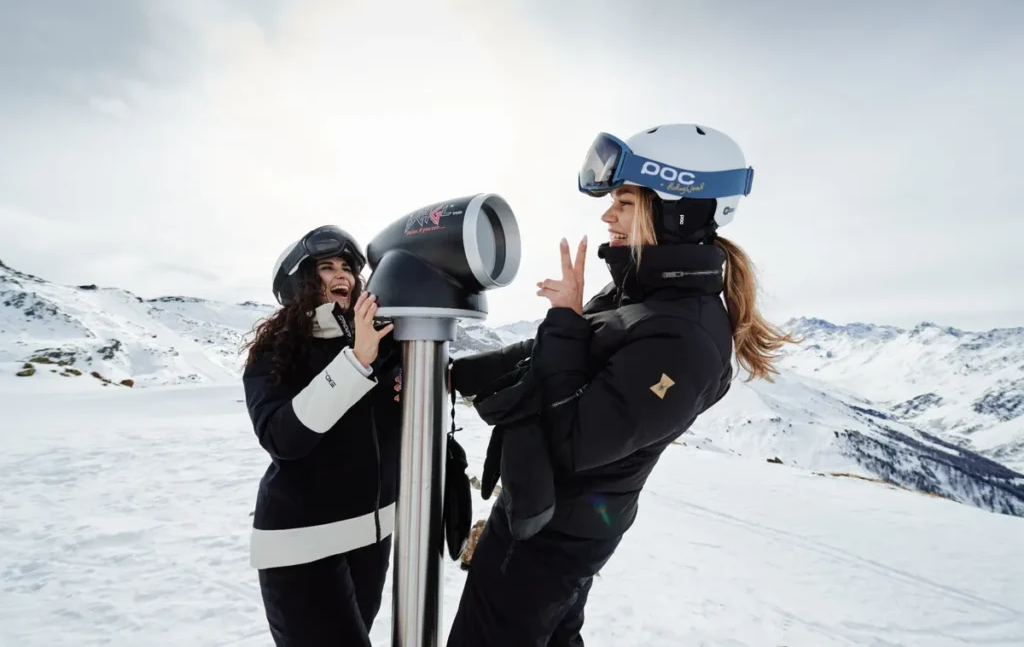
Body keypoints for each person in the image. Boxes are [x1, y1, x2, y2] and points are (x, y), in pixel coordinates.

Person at [445, 123, 797, 646]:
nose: (608, 215)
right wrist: (446, 374)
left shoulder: (685, 338)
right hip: (544, 516)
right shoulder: (641, 293)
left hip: (553, 538)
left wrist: (565, 316)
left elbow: (573, 441)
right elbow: (543, 358)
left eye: (626, 202)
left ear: (679, 210)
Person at [241, 225, 403, 647]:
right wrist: (356, 362)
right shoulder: (276, 350)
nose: (342, 275)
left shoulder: (383, 344)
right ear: (300, 281)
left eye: (347, 267)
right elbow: (282, 438)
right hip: (300, 546)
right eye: (327, 267)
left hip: (370, 538)